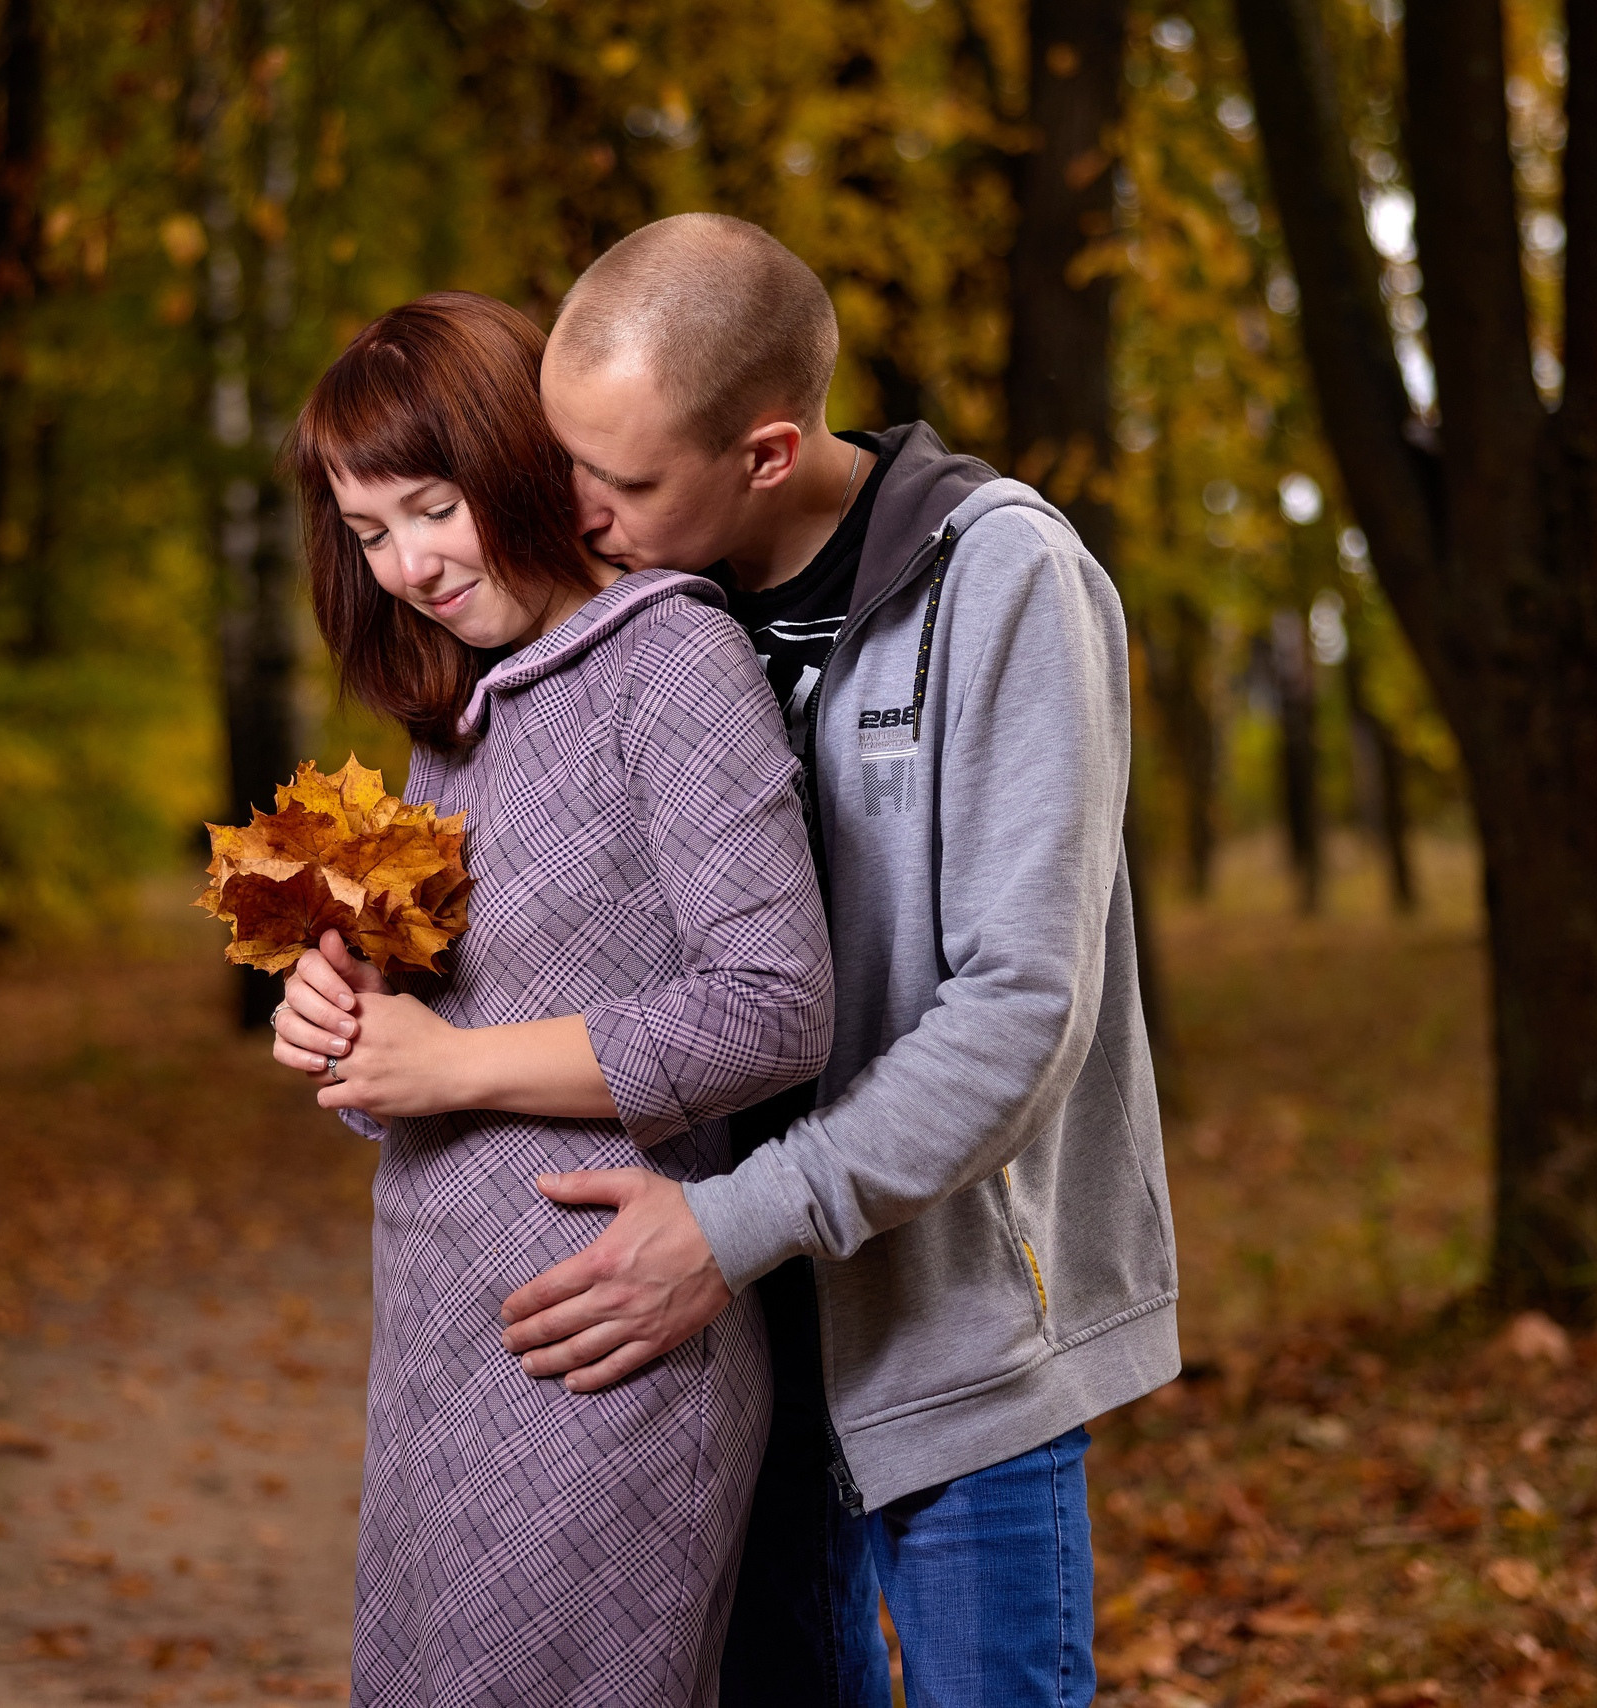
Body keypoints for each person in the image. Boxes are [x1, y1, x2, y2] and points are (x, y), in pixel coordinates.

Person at [505, 213, 1178, 1704]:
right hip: (723, 1338)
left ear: (763, 452)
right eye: (567, 461)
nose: (579, 510)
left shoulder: (1004, 581)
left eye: (618, 479)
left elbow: (1020, 1010)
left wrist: (738, 1222)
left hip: (954, 1333)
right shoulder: (641, 613)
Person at [267, 290, 834, 1708]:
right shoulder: (459, 719)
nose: (406, 565)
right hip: (436, 1338)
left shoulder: (671, 660)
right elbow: (435, 1049)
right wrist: (345, 1027)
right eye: (365, 533)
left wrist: (450, 1069)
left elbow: (773, 1006)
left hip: (608, 1353)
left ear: (520, 457)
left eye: (429, 507)